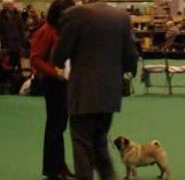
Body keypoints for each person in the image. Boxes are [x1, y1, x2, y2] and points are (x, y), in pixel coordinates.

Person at [52, 0, 139, 179]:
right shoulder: (121, 16)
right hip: (110, 91)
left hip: (83, 90)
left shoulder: (74, 14)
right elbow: (131, 56)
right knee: (100, 141)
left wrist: (60, 61)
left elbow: (59, 55)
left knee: (82, 143)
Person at [29, 0, 75, 179]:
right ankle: (52, 168)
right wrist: (55, 72)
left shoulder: (60, 30)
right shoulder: (46, 31)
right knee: (55, 127)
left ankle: (60, 166)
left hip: (64, 83)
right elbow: (35, 59)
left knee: (60, 126)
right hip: (53, 84)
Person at [0, 0, 25, 71]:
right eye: (11, 5)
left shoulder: (18, 16)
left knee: (17, 65)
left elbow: (22, 30)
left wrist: (23, 43)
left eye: (13, 5)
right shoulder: (0, 18)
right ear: (6, 6)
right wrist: (1, 38)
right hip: (6, 45)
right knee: (6, 64)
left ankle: (17, 79)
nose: (13, 6)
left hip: (16, 45)